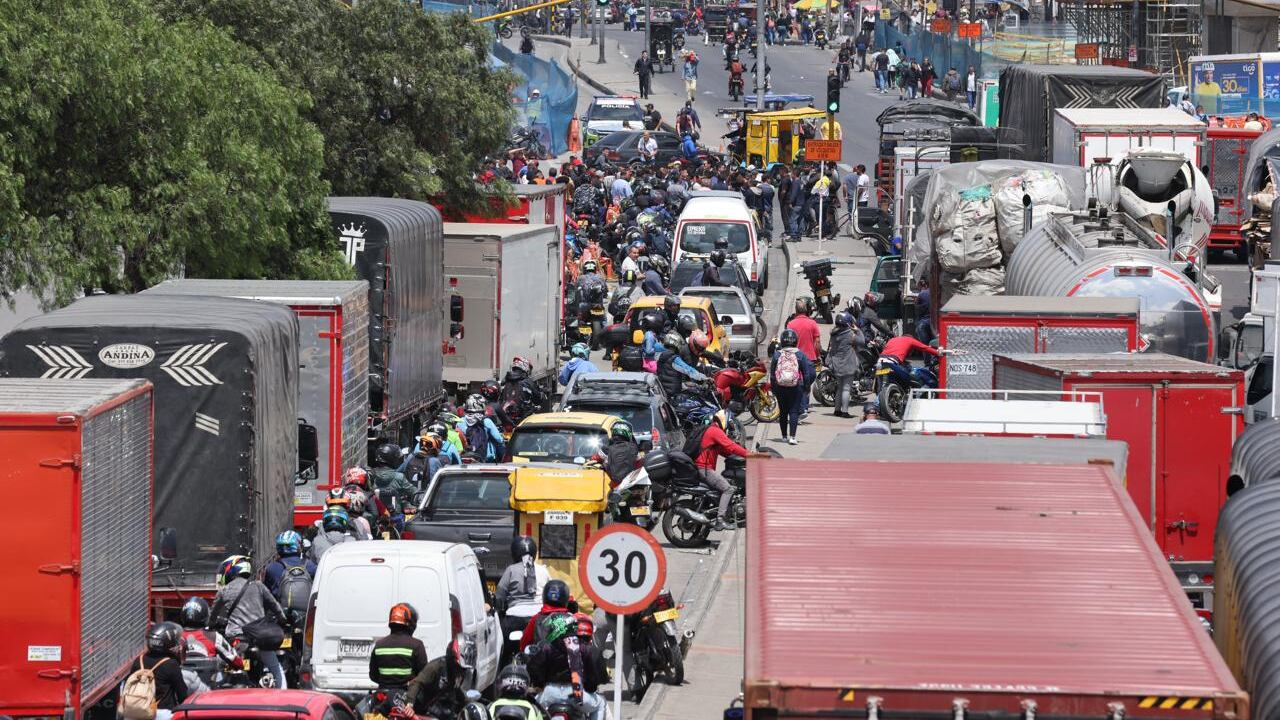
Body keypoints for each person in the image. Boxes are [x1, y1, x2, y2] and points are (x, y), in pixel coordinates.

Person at [210, 555, 287, 689]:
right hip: (260, 637)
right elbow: (275, 606)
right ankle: (283, 693)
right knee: (275, 667)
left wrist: (210, 625)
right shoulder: (259, 586)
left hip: (237, 639)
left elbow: (212, 615)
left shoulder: (225, 590)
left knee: (220, 666)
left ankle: (215, 693)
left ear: (230, 570)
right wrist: (283, 620)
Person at [527, 614, 609, 720]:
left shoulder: (546, 648)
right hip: (577, 694)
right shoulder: (585, 648)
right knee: (601, 703)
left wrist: (539, 684)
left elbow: (533, 668)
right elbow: (592, 677)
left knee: (532, 708)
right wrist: (590, 687)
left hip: (549, 693)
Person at [692, 409, 751, 529]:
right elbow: (731, 446)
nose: (729, 428)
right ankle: (720, 520)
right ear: (724, 421)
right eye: (729, 424)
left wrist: (740, 458)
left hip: (702, 468)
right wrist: (750, 455)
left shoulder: (712, 429)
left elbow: (725, 451)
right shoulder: (715, 431)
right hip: (704, 469)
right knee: (728, 489)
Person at [496, 536, 550, 650]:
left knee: (504, 648)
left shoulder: (511, 569)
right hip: (539, 617)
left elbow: (500, 595)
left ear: (514, 553)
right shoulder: (543, 570)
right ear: (534, 552)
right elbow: (550, 590)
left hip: (514, 618)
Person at [129, 622, 188, 717]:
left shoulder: (139, 660)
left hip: (137, 711)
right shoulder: (171, 664)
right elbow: (182, 694)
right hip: (161, 712)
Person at [370, 603, 430, 697]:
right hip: (408, 699)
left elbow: (373, 675)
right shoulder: (416, 645)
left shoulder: (379, 645)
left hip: (383, 698)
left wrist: (388, 684)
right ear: (411, 624)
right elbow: (424, 675)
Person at [179, 597, 243, 681]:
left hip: (180, 685)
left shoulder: (175, 636)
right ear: (205, 615)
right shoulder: (214, 636)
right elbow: (237, 662)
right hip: (208, 685)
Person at [770, 328, 816, 444]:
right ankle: (792, 437)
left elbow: (772, 374)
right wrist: (806, 388)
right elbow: (806, 373)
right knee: (794, 412)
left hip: (780, 387)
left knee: (783, 412)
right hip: (796, 387)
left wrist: (774, 388)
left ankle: (784, 436)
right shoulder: (800, 354)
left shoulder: (777, 355)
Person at [785, 298, 823, 417]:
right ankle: (803, 407)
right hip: (809, 358)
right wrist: (818, 355)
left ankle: (802, 408)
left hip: (794, 358)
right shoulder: (812, 323)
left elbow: (786, 342)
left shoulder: (791, 324)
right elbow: (817, 342)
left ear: (796, 310)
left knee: (798, 383)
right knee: (806, 382)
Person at [263, 530, 317, 606]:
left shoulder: (271, 568)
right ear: (298, 546)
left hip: (281, 610)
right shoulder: (310, 566)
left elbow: (266, 595)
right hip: (306, 610)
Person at [519, 579, 575, 650]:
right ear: (566, 598)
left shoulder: (536, 619)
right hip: (566, 657)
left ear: (544, 596)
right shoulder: (572, 619)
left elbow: (524, 645)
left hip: (542, 656)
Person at [826, 313, 861, 418]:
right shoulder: (850, 335)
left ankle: (837, 410)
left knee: (839, 388)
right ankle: (845, 412)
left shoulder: (833, 334)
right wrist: (857, 330)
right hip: (848, 364)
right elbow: (862, 341)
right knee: (846, 389)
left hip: (836, 364)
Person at [458, 393, 507, 461]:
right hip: (485, 457)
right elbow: (498, 439)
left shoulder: (460, 421)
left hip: (464, 456)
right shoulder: (486, 421)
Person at [603, 420, 640, 485]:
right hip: (630, 482)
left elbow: (595, 457)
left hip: (613, 482)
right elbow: (639, 462)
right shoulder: (633, 447)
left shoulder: (607, 448)